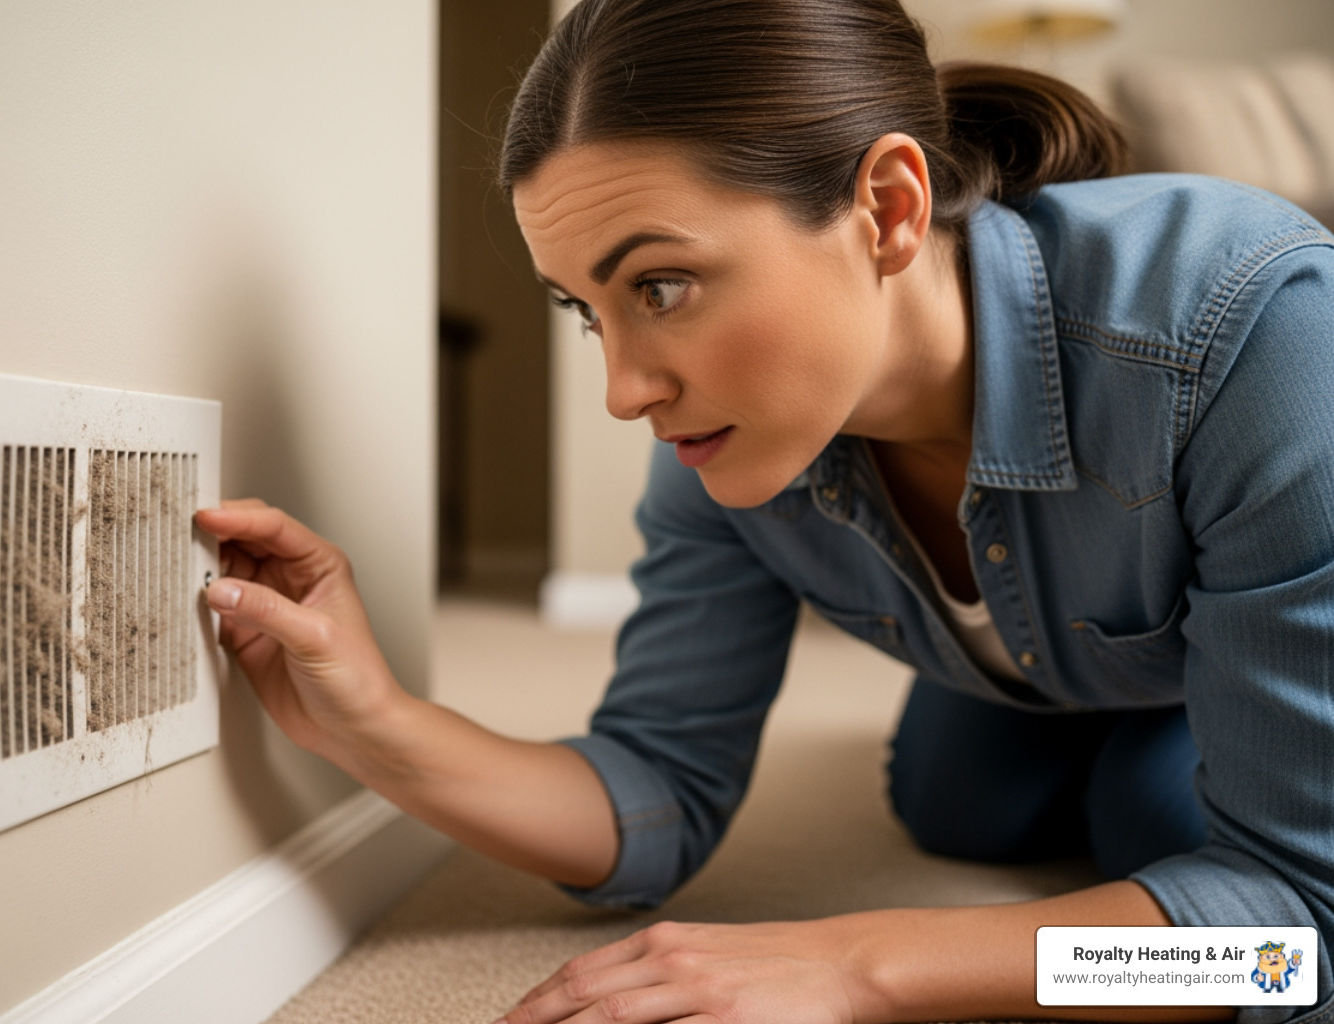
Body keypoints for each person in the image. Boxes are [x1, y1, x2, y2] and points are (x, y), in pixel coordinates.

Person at [195, 0, 1334, 1020]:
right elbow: (656, 791)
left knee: (1160, 829)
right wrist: (372, 721)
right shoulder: (726, 445)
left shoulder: (1254, 333)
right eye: (591, 311)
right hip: (1044, 684)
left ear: (887, 209)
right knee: (954, 804)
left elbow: (1293, 946)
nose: (625, 389)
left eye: (663, 286)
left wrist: (857, 962)